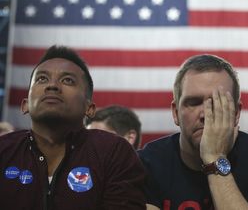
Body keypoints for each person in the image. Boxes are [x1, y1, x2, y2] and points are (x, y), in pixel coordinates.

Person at [0, 45, 148, 209]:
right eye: (42, 79)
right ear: (25, 105)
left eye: (67, 80)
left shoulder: (115, 152)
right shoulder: (3, 150)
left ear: (89, 108)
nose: (52, 86)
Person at [138, 54, 248, 210]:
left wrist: (214, 157)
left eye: (216, 103)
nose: (204, 114)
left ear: (236, 113)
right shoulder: (148, 162)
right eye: (193, 103)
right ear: (175, 113)